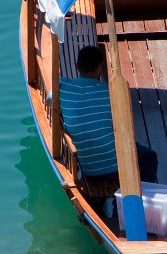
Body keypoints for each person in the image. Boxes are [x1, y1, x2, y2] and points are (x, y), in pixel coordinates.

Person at [59, 45, 158, 184]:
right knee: (149, 157)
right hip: (115, 168)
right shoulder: (110, 92)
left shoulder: (63, 86)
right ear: (100, 68)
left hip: (84, 167)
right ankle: (137, 200)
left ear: (77, 67)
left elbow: (50, 98)